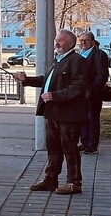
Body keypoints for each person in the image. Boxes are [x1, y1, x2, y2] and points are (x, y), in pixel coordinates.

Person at [13, 29, 87, 195]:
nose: (56, 43)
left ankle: (74, 182)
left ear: (70, 43)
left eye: (60, 40)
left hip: (69, 114)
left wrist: (55, 96)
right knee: (53, 147)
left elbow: (78, 88)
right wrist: (26, 80)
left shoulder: (77, 61)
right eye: (56, 39)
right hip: (52, 111)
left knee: (69, 148)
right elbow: (46, 81)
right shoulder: (58, 61)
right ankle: (50, 179)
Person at [77, 32, 109, 154]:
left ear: (93, 42)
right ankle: (84, 143)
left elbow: (102, 75)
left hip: (93, 94)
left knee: (92, 119)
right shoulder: (80, 55)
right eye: (81, 40)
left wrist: (93, 90)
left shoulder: (99, 55)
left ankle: (92, 145)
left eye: (87, 40)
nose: (83, 43)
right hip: (80, 94)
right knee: (83, 118)